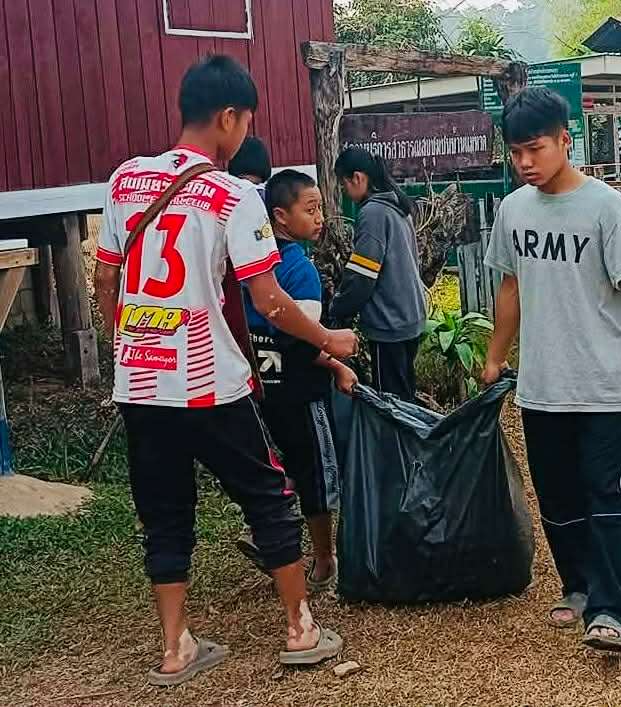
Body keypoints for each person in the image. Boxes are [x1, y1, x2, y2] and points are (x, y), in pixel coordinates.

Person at [93, 55, 357, 686]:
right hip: (210, 382)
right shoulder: (233, 195)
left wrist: (128, 344)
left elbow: (106, 279)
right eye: (247, 123)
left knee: (164, 510)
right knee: (269, 495)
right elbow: (267, 300)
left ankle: (175, 647)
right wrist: (329, 338)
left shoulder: (126, 180)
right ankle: (300, 628)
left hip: (140, 383)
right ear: (229, 118)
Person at [481, 87, 621, 653]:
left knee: (606, 495)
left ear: (565, 139)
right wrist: (494, 354)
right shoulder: (513, 210)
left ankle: (612, 611)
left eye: (535, 149)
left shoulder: (606, 207)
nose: (525, 163)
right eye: (515, 153)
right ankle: (578, 586)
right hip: (542, 387)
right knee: (556, 496)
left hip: (602, 386)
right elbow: (510, 287)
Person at [237, 169, 358, 589]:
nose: (320, 217)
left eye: (321, 207)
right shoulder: (299, 272)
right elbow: (303, 341)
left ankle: (267, 537)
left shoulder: (251, 272)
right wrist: (339, 364)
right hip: (303, 394)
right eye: (310, 209)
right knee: (319, 475)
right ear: (280, 217)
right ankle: (325, 559)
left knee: (281, 466)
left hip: (262, 394)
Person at [330, 147, 426, 402]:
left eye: (343, 184)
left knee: (393, 403)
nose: (344, 192)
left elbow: (362, 276)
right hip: (409, 316)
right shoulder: (395, 205)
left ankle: (398, 443)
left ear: (358, 178)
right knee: (405, 395)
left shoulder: (373, 213)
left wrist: (338, 309)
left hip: (390, 321)